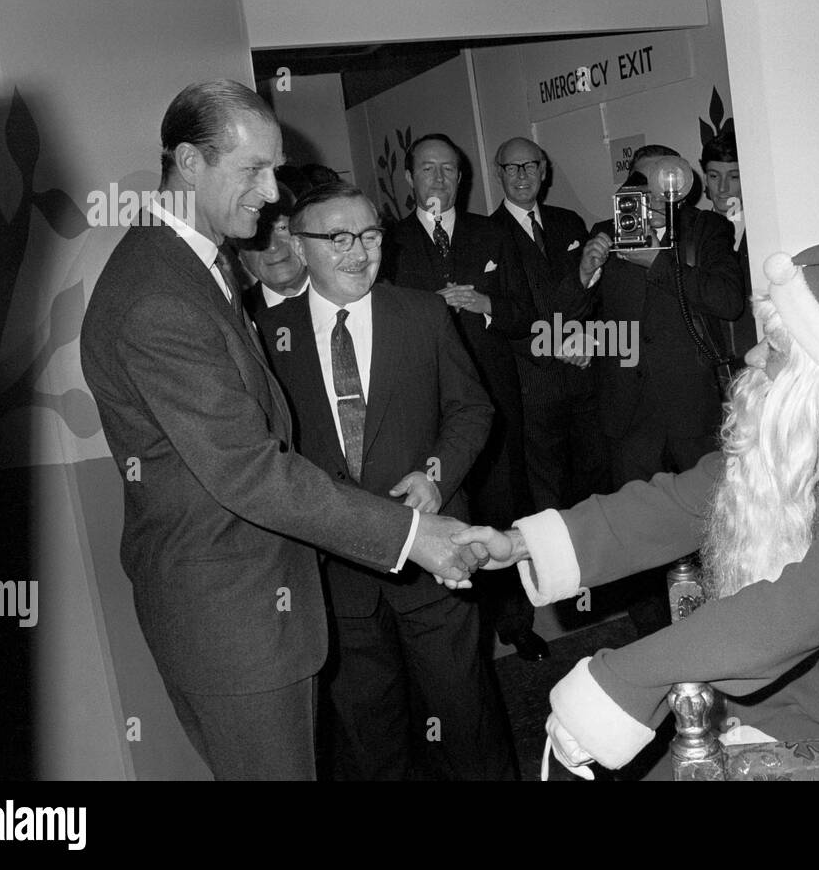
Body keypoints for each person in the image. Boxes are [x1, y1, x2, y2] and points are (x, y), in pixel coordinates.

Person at [457, 230, 819, 778]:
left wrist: (620, 681)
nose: (750, 353)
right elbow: (676, 504)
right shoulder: (811, 440)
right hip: (811, 697)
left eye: (773, 347)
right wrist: (522, 542)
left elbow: (785, 615)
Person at [79, 80, 484, 780]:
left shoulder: (187, 269)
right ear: (188, 161)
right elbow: (251, 470)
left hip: (251, 611)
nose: (272, 193)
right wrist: (413, 535)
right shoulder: (157, 296)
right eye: (254, 170)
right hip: (234, 622)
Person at [256, 181, 517, 779]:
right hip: (337, 572)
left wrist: (436, 474)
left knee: (466, 718)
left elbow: (472, 410)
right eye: (339, 238)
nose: (359, 252)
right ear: (299, 247)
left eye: (370, 236)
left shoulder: (421, 312)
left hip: (434, 559)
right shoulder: (269, 337)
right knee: (369, 737)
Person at [587, 144, 746, 636]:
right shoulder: (607, 232)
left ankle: (720, 627)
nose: (654, 204)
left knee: (711, 523)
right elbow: (574, 309)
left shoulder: (707, 230)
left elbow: (727, 300)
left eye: (665, 194)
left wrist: (656, 261)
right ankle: (656, 637)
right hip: (628, 411)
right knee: (636, 531)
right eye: (644, 191)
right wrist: (584, 275)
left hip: (691, 405)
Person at [485, 137, 610, 659]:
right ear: (499, 174)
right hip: (532, 386)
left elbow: (593, 297)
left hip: (583, 381)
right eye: (510, 167)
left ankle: (592, 591)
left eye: (530, 165)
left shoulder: (568, 224)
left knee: (591, 484)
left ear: (545, 169)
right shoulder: (487, 236)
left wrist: (591, 339)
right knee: (543, 499)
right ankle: (547, 602)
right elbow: (503, 317)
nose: (521, 175)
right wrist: (560, 344)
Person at [380, 135, 536, 543]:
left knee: (503, 517)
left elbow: (526, 316)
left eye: (448, 169)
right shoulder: (386, 243)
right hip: (424, 406)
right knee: (444, 521)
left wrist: (487, 304)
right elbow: (379, 326)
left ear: (461, 178)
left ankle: (513, 605)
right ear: (410, 178)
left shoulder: (493, 234)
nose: (438, 178)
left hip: (495, 401)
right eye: (428, 169)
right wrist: (428, 310)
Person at [699, 129, 757, 368]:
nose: (722, 187)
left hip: (761, 362)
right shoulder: (692, 233)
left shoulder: (768, 229)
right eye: (714, 176)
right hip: (711, 369)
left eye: (733, 177)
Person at [234, 181, 309, 318]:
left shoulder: (346, 295)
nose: (273, 246)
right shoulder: (235, 317)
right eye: (257, 234)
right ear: (240, 254)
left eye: (282, 228)